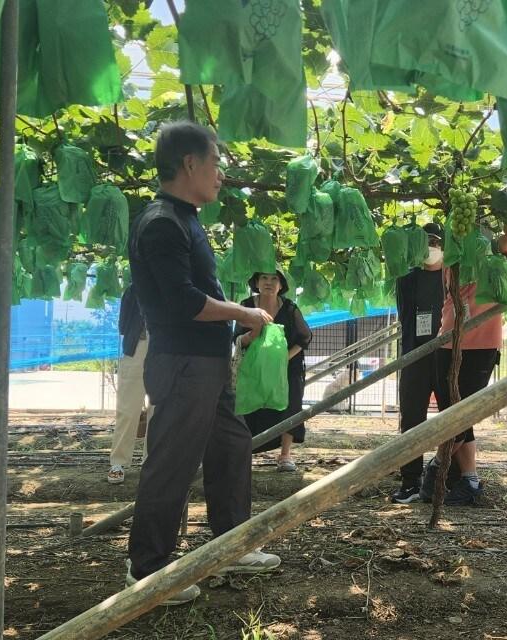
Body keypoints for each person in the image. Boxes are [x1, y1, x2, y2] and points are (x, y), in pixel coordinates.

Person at [124, 122, 281, 606]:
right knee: (172, 462)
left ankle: (230, 545)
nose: (220, 175)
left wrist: (234, 317)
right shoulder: (161, 224)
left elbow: (200, 296)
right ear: (189, 163)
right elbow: (184, 303)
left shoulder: (185, 219)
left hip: (205, 364)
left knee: (232, 447)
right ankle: (147, 569)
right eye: (215, 164)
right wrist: (245, 311)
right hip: (184, 364)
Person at [425, 222, 507, 506]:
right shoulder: (452, 259)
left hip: (482, 345)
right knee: (451, 411)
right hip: (448, 342)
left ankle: (437, 467)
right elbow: (429, 262)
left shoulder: (495, 262)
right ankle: (469, 480)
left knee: (463, 414)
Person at [390, 223, 446, 503]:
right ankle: (411, 481)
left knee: (452, 418)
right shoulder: (407, 278)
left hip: (447, 357)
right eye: (425, 242)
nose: (430, 248)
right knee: (412, 417)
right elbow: (405, 316)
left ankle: (447, 478)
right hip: (415, 355)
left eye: (436, 242)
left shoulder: (453, 277)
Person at [236, 270, 312, 472]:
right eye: (264, 278)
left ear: (281, 285)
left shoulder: (290, 308)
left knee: (290, 405)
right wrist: (254, 334)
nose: (269, 282)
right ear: (256, 282)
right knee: (250, 406)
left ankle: (285, 455)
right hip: (254, 368)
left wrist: (282, 359)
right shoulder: (246, 306)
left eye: (274, 279)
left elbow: (305, 337)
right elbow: (238, 338)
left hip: (288, 368)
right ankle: (245, 452)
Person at [107, 285, 149, 485]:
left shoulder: (176, 284)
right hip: (137, 347)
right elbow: (123, 325)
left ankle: (151, 462)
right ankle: (118, 462)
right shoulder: (134, 289)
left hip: (166, 351)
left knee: (159, 410)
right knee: (128, 409)